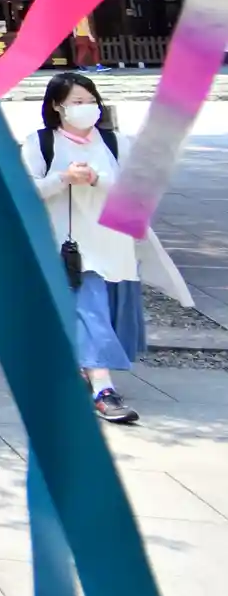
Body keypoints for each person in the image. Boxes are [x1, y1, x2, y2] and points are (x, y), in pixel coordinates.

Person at [28, 71, 191, 425]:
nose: (87, 108)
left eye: (91, 101)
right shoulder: (41, 143)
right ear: (57, 106)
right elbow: (27, 190)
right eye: (77, 102)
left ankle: (82, 367)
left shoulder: (115, 143)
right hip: (70, 248)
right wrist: (63, 178)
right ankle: (104, 390)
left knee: (104, 314)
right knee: (90, 310)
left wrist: (95, 178)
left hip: (114, 245)